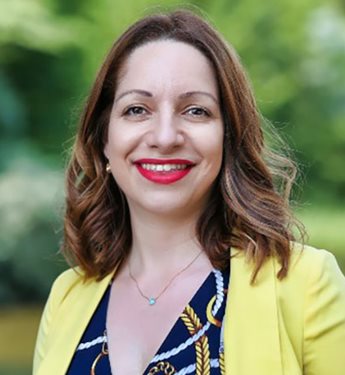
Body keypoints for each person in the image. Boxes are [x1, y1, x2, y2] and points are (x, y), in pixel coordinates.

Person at [33, 9, 345, 375]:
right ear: (104, 138)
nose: (165, 137)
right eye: (137, 109)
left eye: (196, 111)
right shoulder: (66, 297)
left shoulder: (306, 285)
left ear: (228, 136)